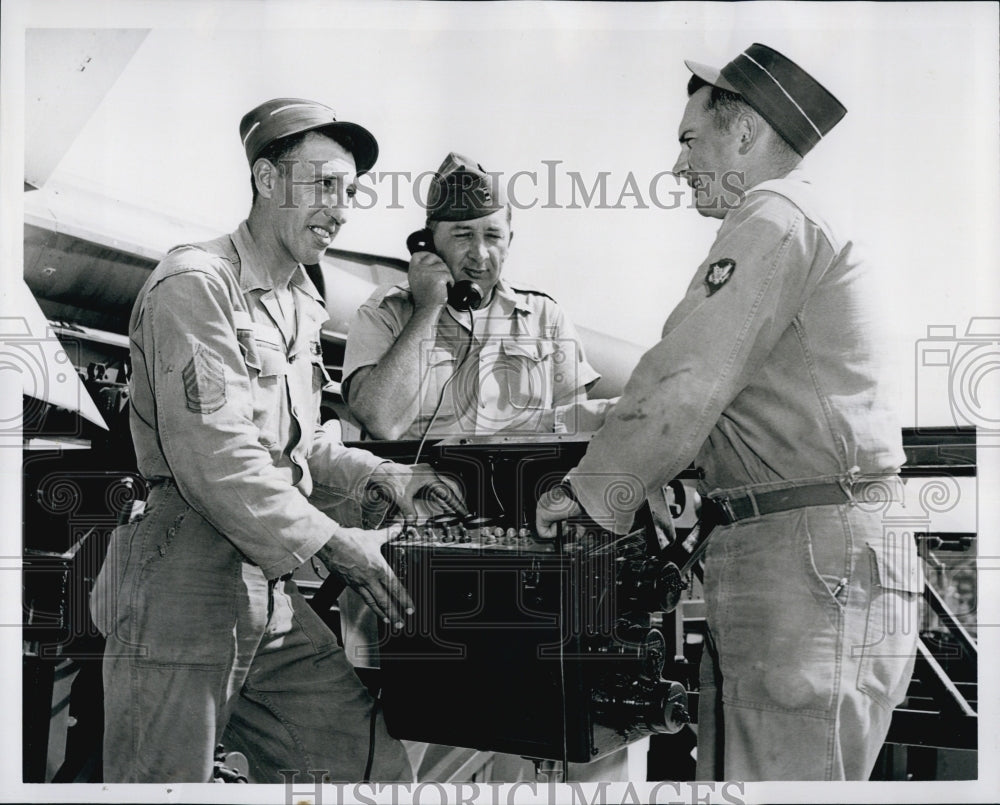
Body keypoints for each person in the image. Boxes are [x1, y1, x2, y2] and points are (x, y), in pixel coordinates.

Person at [537, 44, 922, 781]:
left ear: (743, 133)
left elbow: (685, 377)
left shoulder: (774, 214)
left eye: (689, 140)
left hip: (804, 563)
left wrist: (592, 495)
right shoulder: (802, 217)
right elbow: (725, 404)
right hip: (807, 554)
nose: (679, 166)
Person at [90, 97, 467, 783]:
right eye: (324, 185)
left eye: (348, 191)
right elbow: (220, 461)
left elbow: (297, 448)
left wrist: (382, 476)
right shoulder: (197, 287)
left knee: (371, 769)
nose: (341, 207)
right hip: (183, 574)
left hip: (268, 588)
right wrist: (336, 544)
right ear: (266, 181)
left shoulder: (298, 302)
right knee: (159, 783)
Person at [342, 152, 605, 441]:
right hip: (419, 482)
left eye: (493, 237)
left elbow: (577, 432)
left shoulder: (545, 316)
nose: (479, 254)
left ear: (509, 242)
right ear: (428, 243)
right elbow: (381, 422)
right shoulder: (385, 312)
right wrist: (428, 309)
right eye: (463, 235)